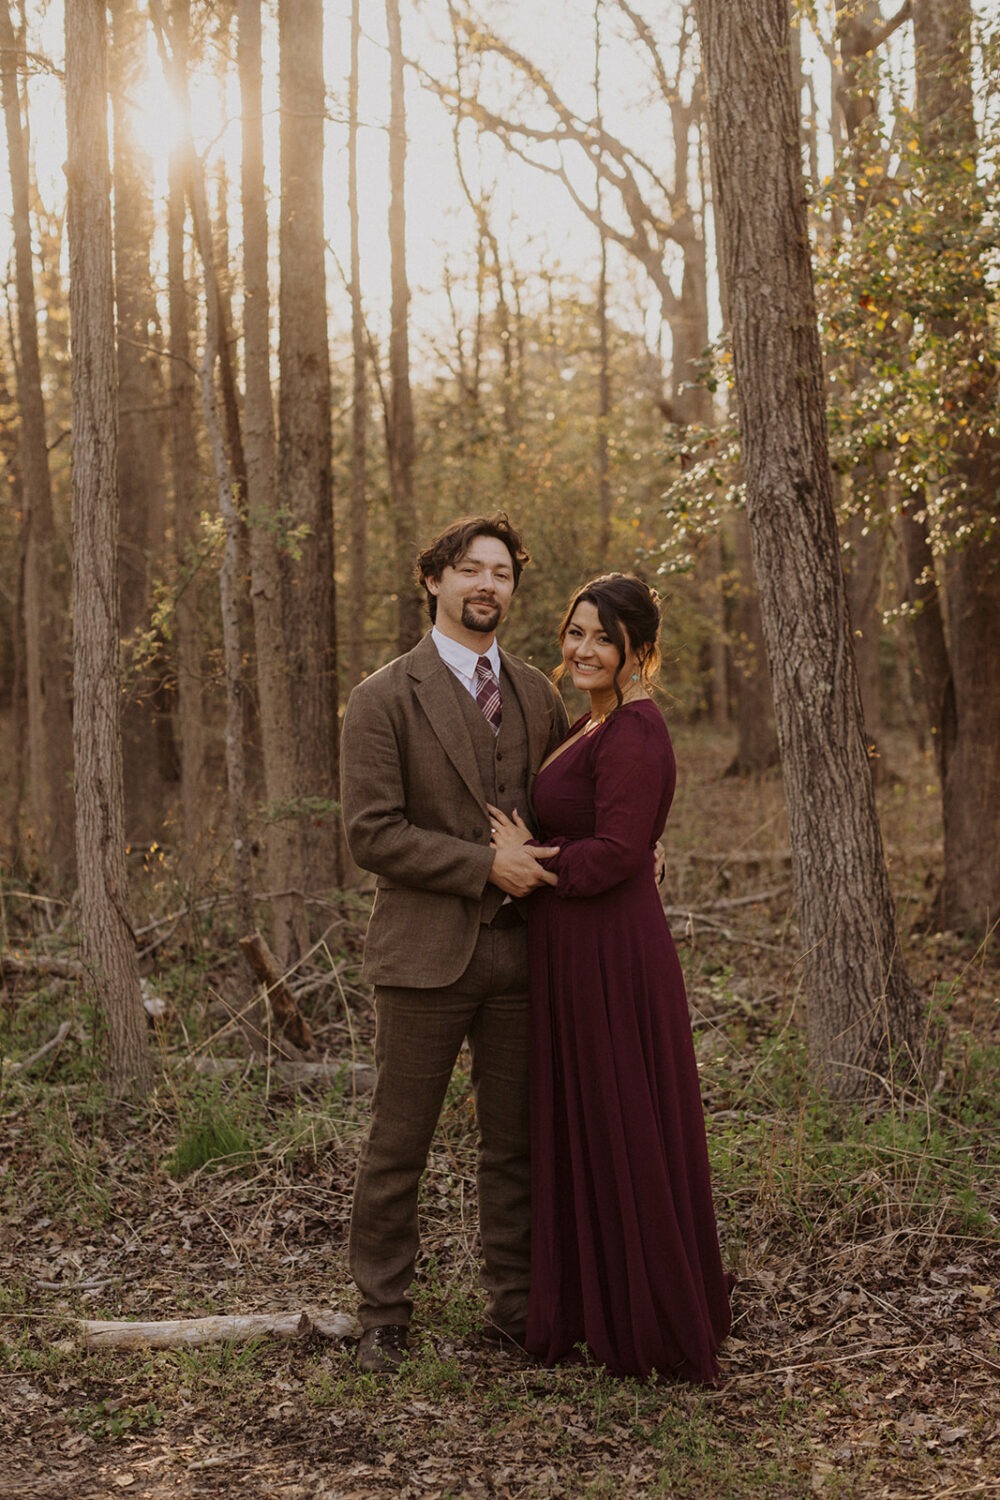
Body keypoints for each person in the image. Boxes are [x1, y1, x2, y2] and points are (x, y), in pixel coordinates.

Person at [488, 573, 732, 1383]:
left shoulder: (634, 731)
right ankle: (597, 1301)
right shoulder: (588, 725)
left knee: (622, 1119)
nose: (584, 649)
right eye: (576, 633)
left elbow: (621, 853)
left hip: (610, 957)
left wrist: (532, 861)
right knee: (589, 1118)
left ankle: (650, 1315)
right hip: (573, 950)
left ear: (639, 652)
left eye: (603, 639)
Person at [340, 513, 569, 1374]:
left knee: (515, 1143)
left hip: (523, 959)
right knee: (399, 1142)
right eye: (470, 570)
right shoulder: (382, 696)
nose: (487, 586)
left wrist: (627, 842)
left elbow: (564, 810)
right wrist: (485, 865)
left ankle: (516, 1307)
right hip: (422, 958)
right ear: (433, 580)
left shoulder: (539, 693)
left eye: (502, 573)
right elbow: (372, 834)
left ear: (514, 587)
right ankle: (382, 1313)